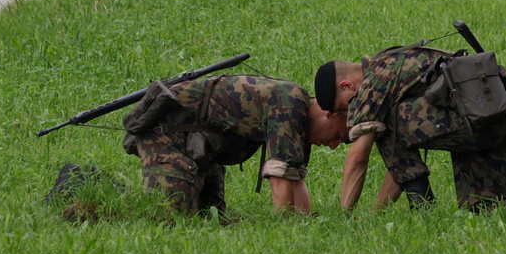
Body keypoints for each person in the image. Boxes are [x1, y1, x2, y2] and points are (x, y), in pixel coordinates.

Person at [315, 47, 506, 214]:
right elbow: (400, 163)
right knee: (485, 211)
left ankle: (424, 211)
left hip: (476, 120)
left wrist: (344, 216)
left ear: (347, 87)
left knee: (386, 123)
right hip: (502, 121)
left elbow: (357, 158)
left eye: (345, 108)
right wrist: (379, 213)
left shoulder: (374, 80)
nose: (349, 116)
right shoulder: (395, 61)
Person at [122, 73, 347, 217]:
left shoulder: (300, 121)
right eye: (338, 135)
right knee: (170, 218)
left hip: (200, 151)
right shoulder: (291, 103)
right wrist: (287, 230)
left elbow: (295, 178)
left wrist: (304, 224)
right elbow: (280, 178)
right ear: (330, 114)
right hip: (166, 135)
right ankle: (102, 192)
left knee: (210, 219)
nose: (334, 146)